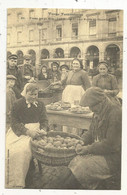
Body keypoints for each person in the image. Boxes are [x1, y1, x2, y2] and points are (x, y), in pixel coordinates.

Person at [51, 87, 121, 189]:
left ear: (100, 102)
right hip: (99, 151)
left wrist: (88, 149)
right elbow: (91, 132)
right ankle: (58, 189)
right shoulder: (99, 111)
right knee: (73, 163)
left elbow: (111, 145)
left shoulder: (116, 114)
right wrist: (81, 141)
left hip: (112, 158)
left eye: (91, 106)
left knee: (81, 168)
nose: (90, 109)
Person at [5, 83, 49, 188]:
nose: (34, 97)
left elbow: (44, 120)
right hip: (20, 131)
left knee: (23, 150)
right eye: (31, 94)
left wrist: (43, 129)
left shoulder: (41, 105)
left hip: (36, 131)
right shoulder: (17, 104)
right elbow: (14, 123)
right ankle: (13, 181)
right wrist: (27, 131)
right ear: (25, 93)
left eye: (36, 94)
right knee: (9, 149)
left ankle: (25, 172)